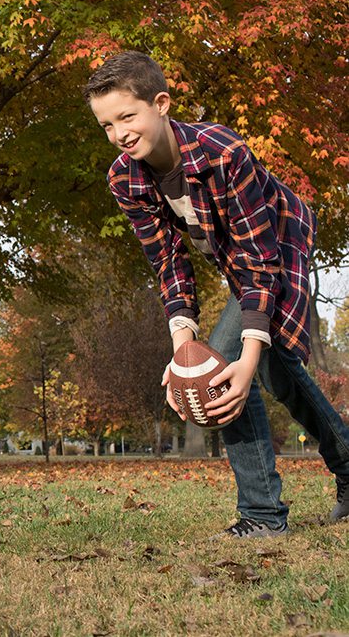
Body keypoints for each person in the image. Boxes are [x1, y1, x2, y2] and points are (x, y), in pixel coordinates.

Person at [84, 51, 349, 538]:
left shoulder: (223, 152)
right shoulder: (125, 178)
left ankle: (264, 516)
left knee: (228, 365)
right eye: (107, 125)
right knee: (278, 371)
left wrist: (242, 359)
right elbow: (168, 262)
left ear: (160, 104)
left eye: (127, 116)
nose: (119, 133)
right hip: (236, 259)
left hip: (277, 243)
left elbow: (258, 259)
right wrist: (181, 348)